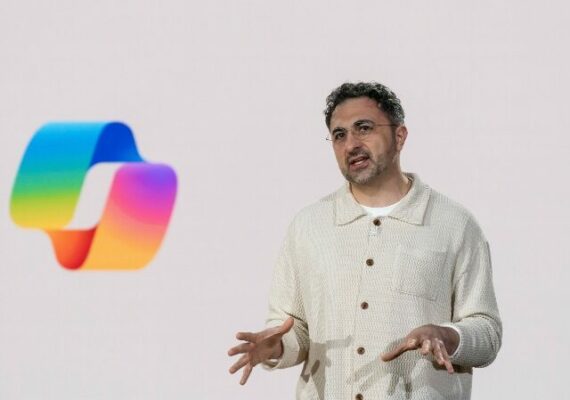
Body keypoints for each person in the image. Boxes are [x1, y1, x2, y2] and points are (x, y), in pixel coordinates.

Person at [228, 82, 502, 399]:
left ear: (400, 136)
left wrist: (447, 335)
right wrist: (276, 348)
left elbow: (487, 332)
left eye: (364, 128)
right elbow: (295, 329)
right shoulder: (308, 226)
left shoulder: (454, 224)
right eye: (339, 135)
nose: (351, 144)